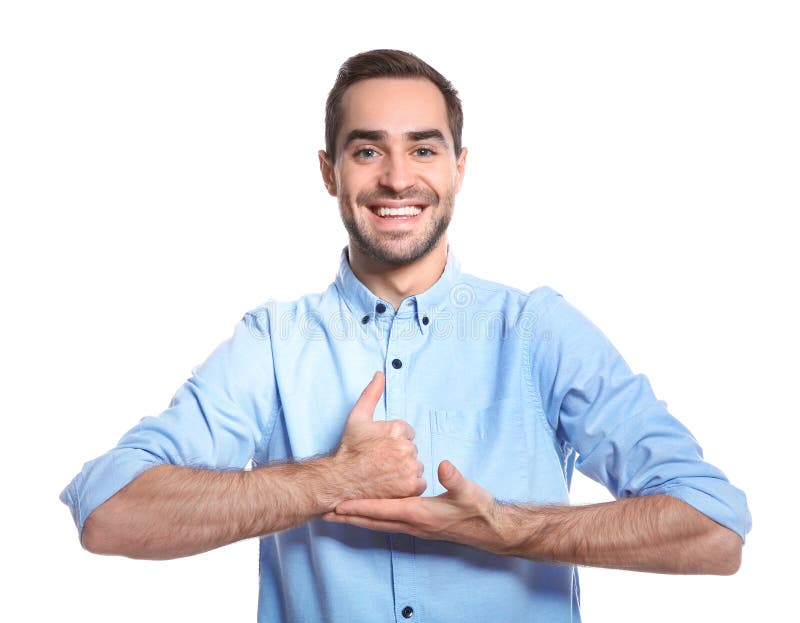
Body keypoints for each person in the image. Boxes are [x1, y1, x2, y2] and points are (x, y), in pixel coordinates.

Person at [61, 49, 751, 622]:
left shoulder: (536, 331)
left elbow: (713, 528)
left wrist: (505, 528)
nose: (397, 178)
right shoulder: (273, 342)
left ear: (458, 167)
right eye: (368, 150)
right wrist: (332, 478)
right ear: (329, 171)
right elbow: (111, 511)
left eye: (423, 148)